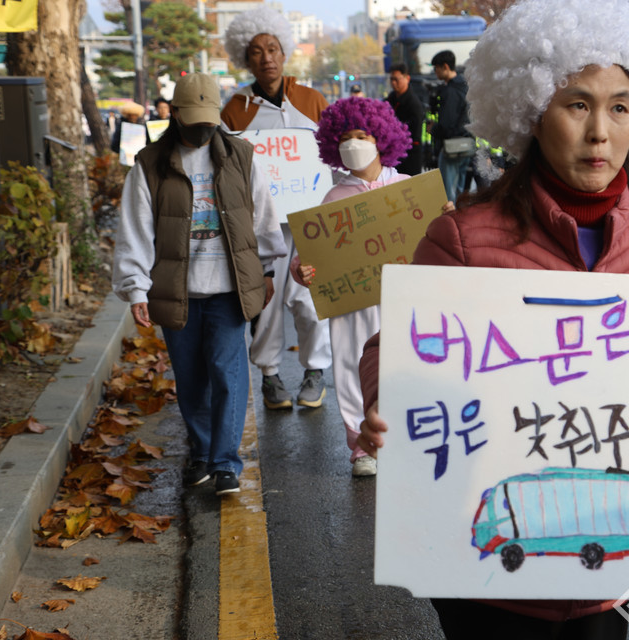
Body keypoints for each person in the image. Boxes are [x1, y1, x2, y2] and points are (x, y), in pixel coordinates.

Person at [355, 0, 629, 636]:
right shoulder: (463, 238)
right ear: (531, 112)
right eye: (577, 104)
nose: (601, 131)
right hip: (488, 586)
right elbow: (388, 350)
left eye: (620, 106)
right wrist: (383, 405)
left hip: (608, 585)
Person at [112, 73, 287, 496]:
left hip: (228, 292)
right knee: (191, 380)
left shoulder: (241, 157)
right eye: (194, 123)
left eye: (209, 123)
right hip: (178, 292)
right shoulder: (150, 165)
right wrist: (136, 288)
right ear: (174, 116)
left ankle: (226, 462)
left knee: (229, 374)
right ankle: (203, 452)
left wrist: (265, 272)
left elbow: (261, 218)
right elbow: (134, 229)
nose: (203, 131)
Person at [291, 97, 413, 477]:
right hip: (352, 301)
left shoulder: (410, 189)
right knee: (350, 365)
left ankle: (406, 439)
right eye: (345, 137)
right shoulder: (332, 199)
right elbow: (306, 256)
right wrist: (301, 270)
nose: (353, 143)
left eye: (361, 135)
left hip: (401, 295)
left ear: (381, 138)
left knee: (405, 364)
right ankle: (360, 446)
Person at [220, 5, 333, 410]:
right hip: (261, 223)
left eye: (272, 48)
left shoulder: (312, 99)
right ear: (244, 58)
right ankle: (269, 376)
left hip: (309, 220)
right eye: (255, 51)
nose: (265, 57)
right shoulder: (234, 109)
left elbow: (333, 156)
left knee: (309, 298)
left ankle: (315, 371)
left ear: (284, 53)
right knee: (264, 300)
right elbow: (227, 167)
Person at [430, 50, 473, 201]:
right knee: (461, 191)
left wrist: (433, 129)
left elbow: (446, 124)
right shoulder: (466, 86)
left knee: (447, 194)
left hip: (451, 147)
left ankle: (450, 220)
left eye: (436, 68)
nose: (434, 72)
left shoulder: (450, 91)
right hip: (467, 144)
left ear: (445, 67)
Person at [386, 63, 425, 176]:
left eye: (396, 79)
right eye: (391, 79)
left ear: (407, 78)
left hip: (410, 155)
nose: (393, 83)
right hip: (393, 154)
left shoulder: (413, 103)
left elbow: (414, 133)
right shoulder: (391, 98)